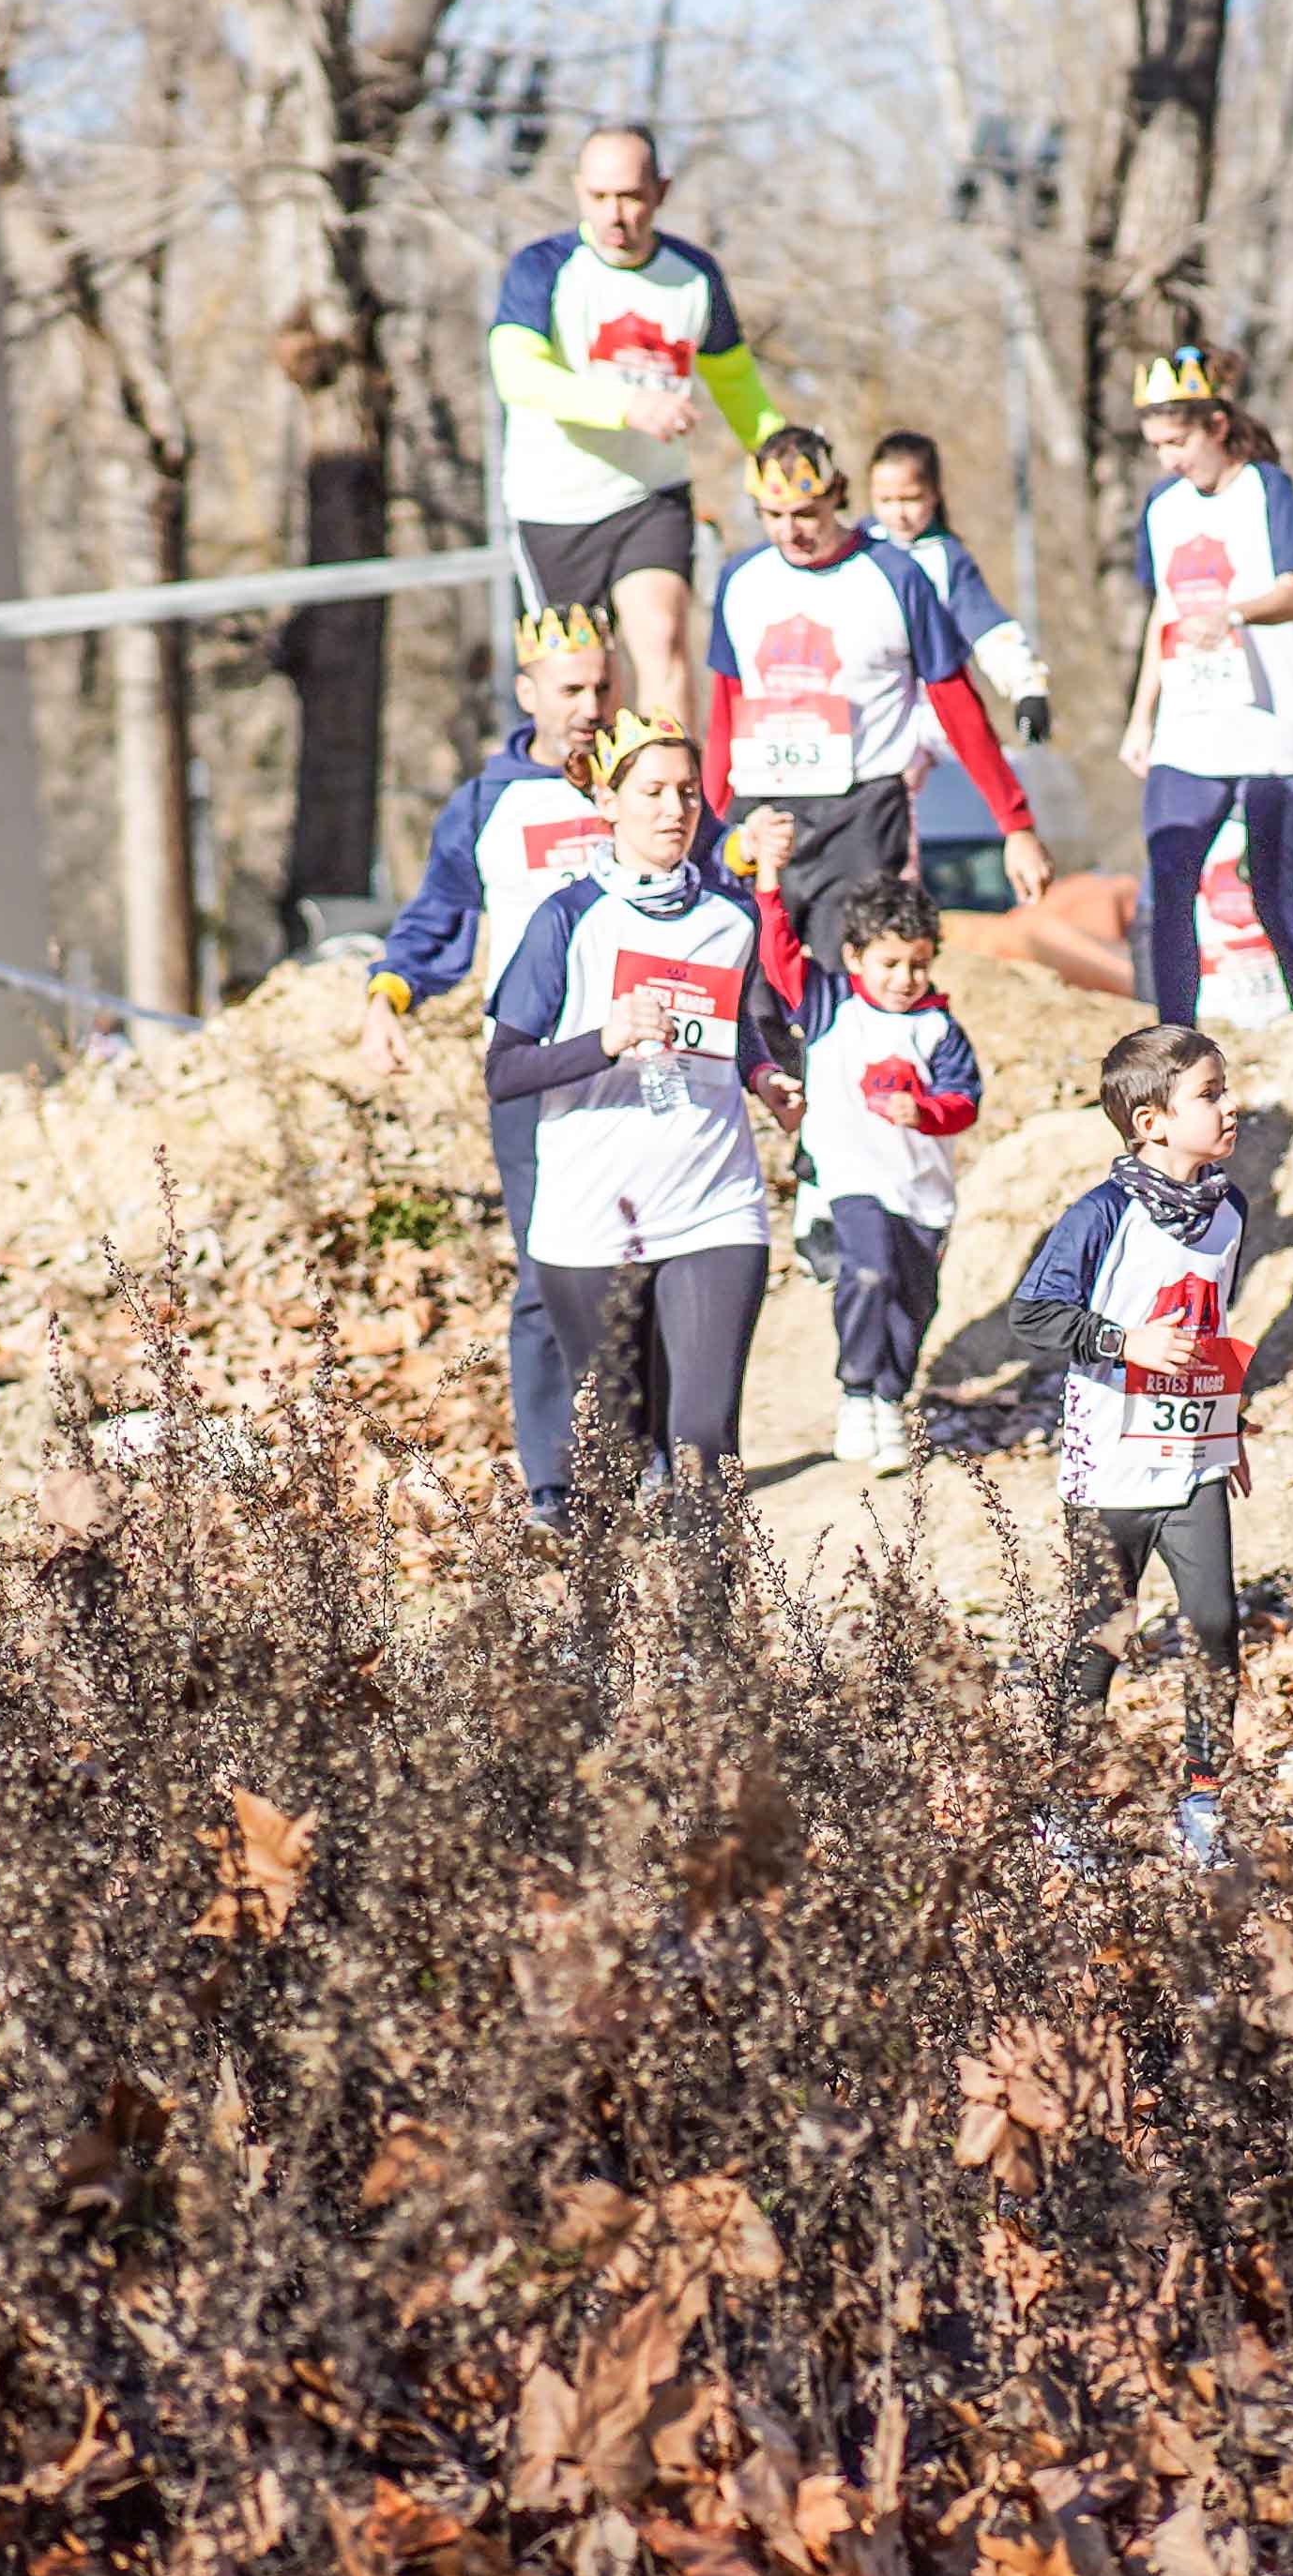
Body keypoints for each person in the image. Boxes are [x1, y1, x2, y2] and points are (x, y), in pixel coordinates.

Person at [482, 716, 800, 1523]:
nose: (674, 810)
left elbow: (744, 1024)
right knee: (620, 1457)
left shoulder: (732, 919)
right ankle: (625, 1637)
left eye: (689, 794)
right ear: (608, 803)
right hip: (592, 1217)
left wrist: (765, 1075)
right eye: (652, 792)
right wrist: (605, 1040)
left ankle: (714, 1643)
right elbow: (504, 1071)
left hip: (711, 1200)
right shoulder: (566, 920)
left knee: (703, 1441)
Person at [373, 602, 629, 1530]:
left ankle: (649, 1461)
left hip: (642, 1067)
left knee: (646, 1267)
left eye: (604, 684)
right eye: (571, 689)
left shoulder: (644, 777)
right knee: (547, 1271)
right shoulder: (488, 801)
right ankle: (554, 1482)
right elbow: (436, 918)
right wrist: (388, 996)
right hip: (533, 1070)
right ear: (527, 693)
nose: (591, 705)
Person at [1009, 1022, 1258, 1867]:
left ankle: (1203, 1802)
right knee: (1101, 1637)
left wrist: (1230, 1417)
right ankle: (1065, 1803)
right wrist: (1125, 1344)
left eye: (1226, 1090)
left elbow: (1212, 1324)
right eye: (1211, 1095)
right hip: (1110, 1462)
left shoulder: (1231, 1209)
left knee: (1217, 1627)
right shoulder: (1100, 1214)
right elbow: (1033, 1314)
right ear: (1150, 1121)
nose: (1232, 1107)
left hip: (1194, 1457)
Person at [704, 426, 1053, 962]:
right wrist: (711, 820)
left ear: (837, 495)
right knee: (754, 986)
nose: (789, 531)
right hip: (763, 804)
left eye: (805, 513)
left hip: (861, 809)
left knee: (841, 979)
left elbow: (957, 706)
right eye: (772, 517)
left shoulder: (896, 576)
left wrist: (1016, 824)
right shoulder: (741, 579)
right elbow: (725, 707)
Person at [487, 126, 786, 734]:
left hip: (649, 494)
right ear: (578, 192)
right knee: (580, 677)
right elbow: (518, 375)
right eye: (598, 197)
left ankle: (672, 798)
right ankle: (590, 807)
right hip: (556, 505)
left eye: (629, 196)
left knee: (664, 638)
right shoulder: (542, 270)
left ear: (661, 192)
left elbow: (736, 384)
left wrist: (781, 452)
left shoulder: (693, 276)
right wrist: (627, 407)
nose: (614, 215)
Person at [1119, 345, 1293, 1024]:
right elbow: (1163, 611)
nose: (1169, 460)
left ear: (1215, 425)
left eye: (1178, 442)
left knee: (1272, 889)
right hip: (1192, 720)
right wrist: (1140, 714)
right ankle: (1172, 1036)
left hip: (1270, 722)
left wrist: (1234, 611)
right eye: (1156, 446)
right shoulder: (1161, 507)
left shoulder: (1265, 490)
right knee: (1169, 882)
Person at [759, 871, 981, 1471]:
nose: (904, 979)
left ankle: (891, 1397)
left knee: (914, 1301)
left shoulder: (940, 1029)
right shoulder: (831, 1003)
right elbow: (777, 955)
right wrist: (767, 884)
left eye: (918, 964)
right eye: (888, 964)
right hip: (850, 1180)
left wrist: (926, 1111)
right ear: (855, 956)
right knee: (868, 1275)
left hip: (922, 1194)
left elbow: (966, 1101)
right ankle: (857, 1393)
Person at [865, 432, 1052, 910]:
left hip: (927, 707)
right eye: (886, 500)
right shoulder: (861, 550)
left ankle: (899, 899)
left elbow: (987, 627)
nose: (899, 513)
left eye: (911, 499)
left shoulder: (945, 559)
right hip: (865, 703)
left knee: (901, 787)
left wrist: (1026, 687)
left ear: (934, 496)